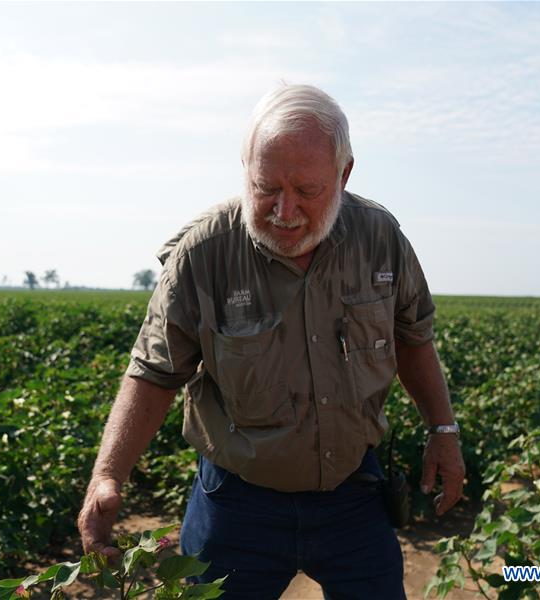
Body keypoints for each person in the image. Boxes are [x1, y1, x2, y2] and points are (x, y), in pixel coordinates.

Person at [77, 84, 465, 599]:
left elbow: (413, 338)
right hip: (238, 506)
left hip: (353, 494)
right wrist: (107, 476)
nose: (284, 210)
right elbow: (154, 372)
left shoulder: (379, 240)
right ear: (245, 168)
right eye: (266, 188)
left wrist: (443, 429)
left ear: (344, 175)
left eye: (307, 190)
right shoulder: (205, 255)